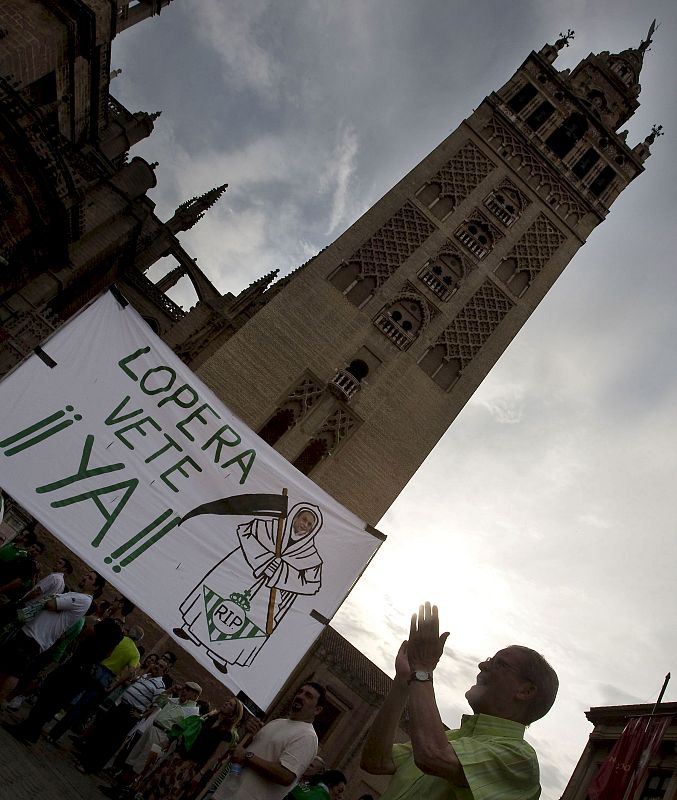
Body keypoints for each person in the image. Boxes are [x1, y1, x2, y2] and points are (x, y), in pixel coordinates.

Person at [361, 602, 559, 800]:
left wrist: (422, 669)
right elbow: (376, 761)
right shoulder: (451, 739)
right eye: (490, 658)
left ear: (525, 691)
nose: (483, 664)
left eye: (500, 663)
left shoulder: (519, 758)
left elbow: (432, 756)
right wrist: (404, 680)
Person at [175, 504, 323, 673]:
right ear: (295, 517)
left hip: (270, 592)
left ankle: (223, 656)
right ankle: (191, 629)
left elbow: (312, 585)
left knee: (252, 621)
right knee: (217, 595)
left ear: (313, 530)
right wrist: (263, 559)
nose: (305, 525)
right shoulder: (270, 527)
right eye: (304, 519)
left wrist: (282, 572)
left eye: (310, 524)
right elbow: (244, 532)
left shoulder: (311, 557)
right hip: (243, 574)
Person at [212, 682, 325, 800]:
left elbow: (285, 776)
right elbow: (243, 752)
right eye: (300, 692)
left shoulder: (307, 736)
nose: (300, 696)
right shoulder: (277, 722)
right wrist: (249, 736)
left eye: (308, 696)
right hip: (224, 793)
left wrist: (247, 756)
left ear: (317, 709)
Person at [75, 655, 169, 774]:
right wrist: (146, 671)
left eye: (161, 666)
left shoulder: (160, 686)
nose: (157, 667)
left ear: (164, 671)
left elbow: (156, 706)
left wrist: (141, 716)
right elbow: (134, 681)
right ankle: (85, 759)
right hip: (121, 706)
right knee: (102, 732)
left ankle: (92, 766)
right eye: (157, 664)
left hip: (130, 713)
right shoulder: (146, 675)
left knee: (111, 740)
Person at [0, 589, 93, 701]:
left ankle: (4, 698)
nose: (85, 577)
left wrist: (52, 599)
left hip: (36, 638)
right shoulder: (75, 595)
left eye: (90, 578)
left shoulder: (84, 600)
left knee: (14, 671)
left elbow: (50, 604)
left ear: (95, 587)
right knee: (7, 667)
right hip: (31, 632)